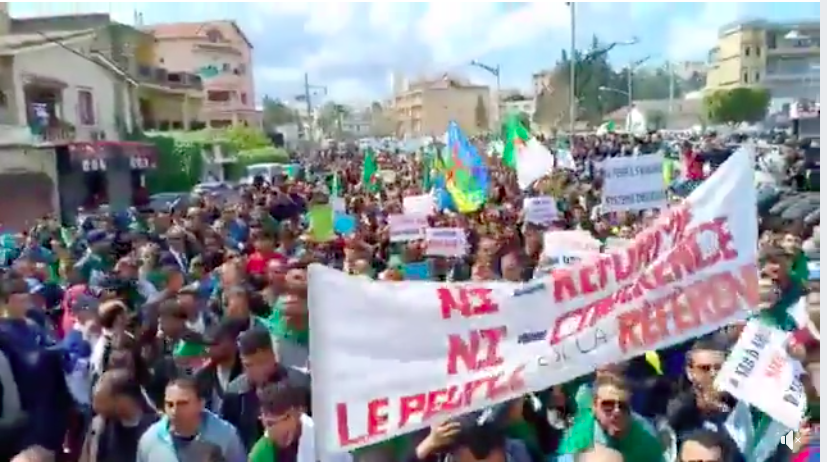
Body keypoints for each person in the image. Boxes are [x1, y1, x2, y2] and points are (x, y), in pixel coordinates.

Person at [220, 327, 305, 450]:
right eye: (249, 365)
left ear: (273, 356)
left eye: (261, 362)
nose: (256, 370)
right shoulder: (235, 393)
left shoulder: (298, 385)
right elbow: (229, 435)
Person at [136, 376, 245, 462]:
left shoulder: (225, 435)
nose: (175, 411)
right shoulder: (151, 439)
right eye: (169, 404)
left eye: (182, 403)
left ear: (201, 404)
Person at [249, 381, 352, 462]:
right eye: (269, 424)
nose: (277, 430)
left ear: (299, 412)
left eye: (285, 418)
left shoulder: (325, 440)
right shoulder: (260, 453)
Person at [79, 369, 158, 462]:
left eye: (103, 403)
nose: (96, 409)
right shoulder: (100, 428)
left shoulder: (157, 431)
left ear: (121, 400)